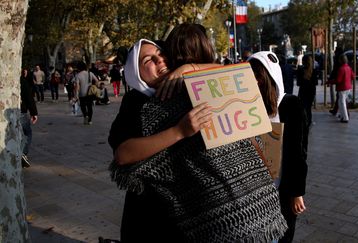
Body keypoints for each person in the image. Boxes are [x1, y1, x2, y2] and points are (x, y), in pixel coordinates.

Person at [110, 23, 287, 242]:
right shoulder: (137, 103)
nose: (160, 61)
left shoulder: (190, 86)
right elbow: (123, 154)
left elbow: (238, 72)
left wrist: (189, 69)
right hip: (152, 215)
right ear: (134, 72)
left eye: (161, 54)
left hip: (204, 216)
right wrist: (179, 131)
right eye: (148, 61)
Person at [248, 52, 309, 243]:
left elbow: (298, 153)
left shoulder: (290, 105)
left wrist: (296, 192)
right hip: (252, 191)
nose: (255, 82)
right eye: (250, 76)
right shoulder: (245, 106)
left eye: (258, 76)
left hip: (280, 189)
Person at [327, 55, 354, 123]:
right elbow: (353, 76)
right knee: (340, 102)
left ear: (341, 60)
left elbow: (338, 80)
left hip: (342, 88)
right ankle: (342, 116)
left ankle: (345, 118)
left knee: (342, 103)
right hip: (348, 87)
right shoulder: (349, 67)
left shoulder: (341, 69)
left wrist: (330, 81)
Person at [20, 68, 38, 168]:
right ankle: (23, 153)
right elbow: (28, 97)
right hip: (20, 111)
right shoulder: (22, 81)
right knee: (27, 132)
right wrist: (34, 113)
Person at [297, 55, 318, 128]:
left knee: (302, 107)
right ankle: (309, 121)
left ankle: (303, 121)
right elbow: (316, 83)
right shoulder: (314, 70)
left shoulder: (300, 70)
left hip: (303, 91)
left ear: (303, 61)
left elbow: (298, 83)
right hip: (311, 92)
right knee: (308, 108)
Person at [329, 46, 344, 115]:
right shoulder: (343, 57)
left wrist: (330, 79)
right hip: (344, 79)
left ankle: (342, 112)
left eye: (335, 51)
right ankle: (335, 110)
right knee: (340, 96)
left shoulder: (338, 58)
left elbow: (335, 69)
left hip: (339, 78)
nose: (334, 52)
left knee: (340, 96)